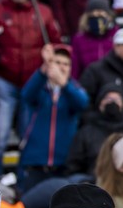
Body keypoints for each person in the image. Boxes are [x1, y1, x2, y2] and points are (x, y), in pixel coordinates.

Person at [0, 0, 62, 175]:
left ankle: (23, 181)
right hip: (4, 81)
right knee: (0, 136)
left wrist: (51, 57)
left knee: (29, 136)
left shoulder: (43, 12)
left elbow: (56, 42)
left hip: (32, 83)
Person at [18, 43, 89, 192]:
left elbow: (82, 103)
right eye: (57, 62)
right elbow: (26, 95)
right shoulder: (40, 87)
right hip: (35, 163)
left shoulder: (73, 89)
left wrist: (64, 83)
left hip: (62, 165)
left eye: (66, 64)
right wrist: (43, 69)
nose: (61, 67)